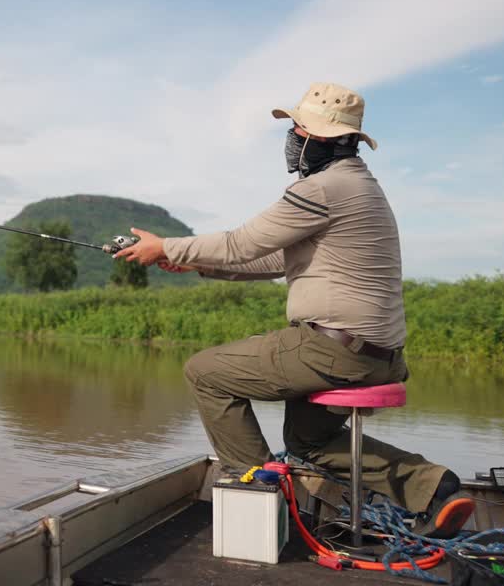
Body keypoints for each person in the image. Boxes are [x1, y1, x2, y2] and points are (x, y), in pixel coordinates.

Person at [113, 82, 472, 538]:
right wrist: (194, 263)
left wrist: (167, 246)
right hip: (380, 356)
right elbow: (270, 260)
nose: (292, 139)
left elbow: (240, 243)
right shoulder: (359, 187)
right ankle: (435, 487)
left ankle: (258, 496)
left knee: (205, 372)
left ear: (319, 139)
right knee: (310, 442)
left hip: (333, 350)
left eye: (298, 130)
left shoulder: (323, 189)